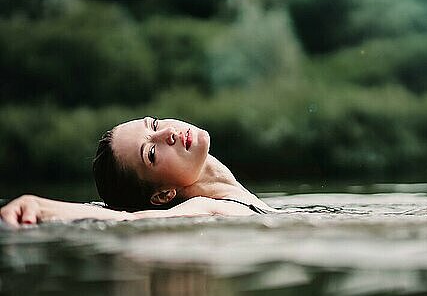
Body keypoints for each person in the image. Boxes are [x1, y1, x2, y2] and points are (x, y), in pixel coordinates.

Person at [0, 117, 275, 228]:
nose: (168, 133)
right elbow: (131, 219)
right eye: (151, 154)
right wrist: (38, 206)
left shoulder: (245, 202)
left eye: (153, 124)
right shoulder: (211, 208)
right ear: (163, 195)